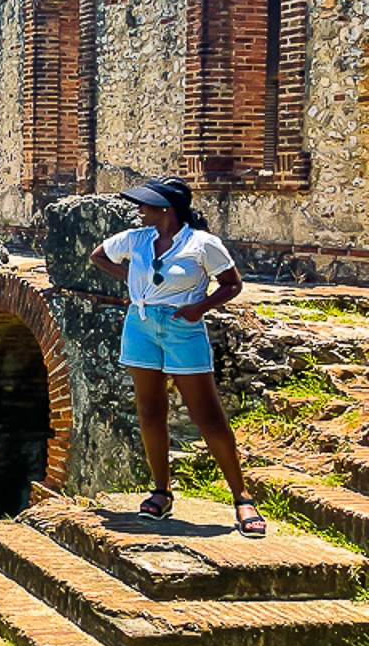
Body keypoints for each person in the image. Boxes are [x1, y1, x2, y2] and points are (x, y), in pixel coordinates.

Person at [89, 177, 265, 537]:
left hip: (182, 327)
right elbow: (98, 255)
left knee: (207, 415)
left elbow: (232, 284)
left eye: (146, 204)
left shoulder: (202, 244)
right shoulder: (135, 239)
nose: (139, 210)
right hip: (140, 326)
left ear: (166, 209)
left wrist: (199, 308)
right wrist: (133, 278)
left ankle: (241, 497)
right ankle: (161, 491)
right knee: (150, 412)